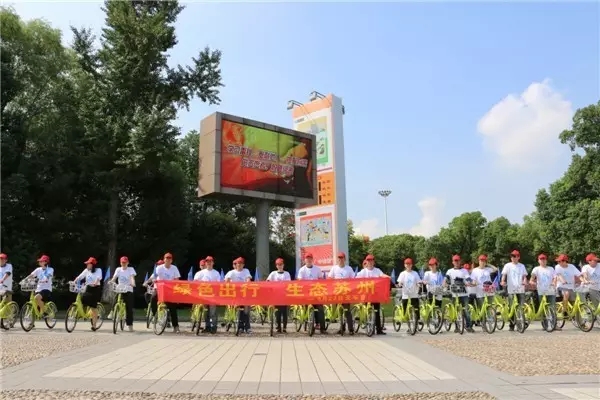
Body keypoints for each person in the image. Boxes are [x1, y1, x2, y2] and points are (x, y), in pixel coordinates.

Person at [145, 252, 181, 333]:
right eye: (166, 258)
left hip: (169, 290)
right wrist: (149, 281)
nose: (168, 260)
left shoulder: (174, 268)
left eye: (169, 259)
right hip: (159, 288)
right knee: (153, 298)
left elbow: (177, 279)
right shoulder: (159, 268)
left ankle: (176, 326)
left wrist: (176, 284)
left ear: (171, 260)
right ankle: (154, 314)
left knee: (172, 307)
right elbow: (153, 276)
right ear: (164, 259)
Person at [356, 254, 388, 335]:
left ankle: (379, 330)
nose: (370, 262)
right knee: (366, 310)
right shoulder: (363, 271)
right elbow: (356, 279)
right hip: (366, 294)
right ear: (366, 262)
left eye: (371, 260)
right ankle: (367, 326)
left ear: (374, 262)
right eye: (368, 261)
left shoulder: (377, 270)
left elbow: (382, 275)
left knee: (377, 312)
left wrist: (387, 277)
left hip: (375, 295)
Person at [297, 253, 327, 334]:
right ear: (305, 260)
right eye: (307, 258)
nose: (309, 260)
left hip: (316, 292)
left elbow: (321, 280)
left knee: (320, 308)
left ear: (312, 259)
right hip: (306, 293)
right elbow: (299, 281)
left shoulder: (317, 269)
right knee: (306, 308)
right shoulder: (302, 270)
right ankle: (308, 324)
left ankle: (322, 328)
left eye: (310, 258)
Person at [327, 252, 355, 334]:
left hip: (346, 292)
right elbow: (329, 277)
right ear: (337, 259)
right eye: (339, 258)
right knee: (339, 311)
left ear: (344, 259)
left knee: (347, 311)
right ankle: (342, 328)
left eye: (342, 258)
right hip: (337, 292)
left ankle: (351, 329)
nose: (340, 259)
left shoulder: (349, 268)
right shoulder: (334, 268)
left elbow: (354, 279)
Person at [445, 255, 474, 333]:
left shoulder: (464, 270)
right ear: (452, 262)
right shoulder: (449, 271)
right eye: (455, 261)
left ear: (460, 261)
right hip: (454, 294)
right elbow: (446, 279)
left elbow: (468, 278)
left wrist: (472, 282)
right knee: (455, 311)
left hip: (464, 294)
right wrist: (444, 284)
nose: (456, 262)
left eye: (458, 260)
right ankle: (457, 327)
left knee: (466, 311)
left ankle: (468, 326)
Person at [501, 250, 528, 332]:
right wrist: (502, 281)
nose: (513, 258)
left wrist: (525, 281)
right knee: (511, 306)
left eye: (515, 256)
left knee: (521, 306)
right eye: (512, 256)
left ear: (518, 257)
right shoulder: (507, 265)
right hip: (511, 288)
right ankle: (511, 325)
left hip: (520, 288)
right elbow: (504, 275)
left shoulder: (522, 266)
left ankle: (521, 323)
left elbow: (524, 276)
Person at [74, 257, 103, 330]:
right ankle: (83, 314)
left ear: (92, 265)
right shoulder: (86, 270)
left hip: (95, 288)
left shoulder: (98, 270)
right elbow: (80, 276)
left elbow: (99, 277)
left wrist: (95, 282)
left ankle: (94, 325)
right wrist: (74, 281)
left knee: (93, 307)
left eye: (88, 264)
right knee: (82, 298)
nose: (87, 265)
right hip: (88, 288)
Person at [225, 257, 252, 333]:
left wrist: (247, 283)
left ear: (243, 264)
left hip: (243, 292)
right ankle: (240, 327)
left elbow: (248, 279)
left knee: (246, 309)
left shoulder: (246, 271)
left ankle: (247, 327)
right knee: (237, 309)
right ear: (236, 264)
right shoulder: (231, 272)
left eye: (241, 263)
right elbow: (227, 280)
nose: (239, 265)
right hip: (234, 293)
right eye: (238, 263)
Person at [529, 253, 558, 326]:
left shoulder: (551, 268)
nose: (543, 261)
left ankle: (554, 324)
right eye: (541, 259)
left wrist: (554, 283)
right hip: (541, 290)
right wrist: (533, 283)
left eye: (544, 259)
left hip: (551, 290)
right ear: (538, 261)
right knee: (543, 307)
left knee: (552, 307)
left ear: (546, 260)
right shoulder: (536, 269)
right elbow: (532, 279)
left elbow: (555, 277)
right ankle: (545, 324)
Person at [110, 256, 137, 332]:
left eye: (125, 262)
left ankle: (130, 325)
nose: (124, 264)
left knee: (129, 308)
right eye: (122, 262)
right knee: (115, 298)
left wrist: (133, 283)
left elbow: (132, 277)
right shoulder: (118, 269)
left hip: (128, 289)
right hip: (120, 288)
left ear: (128, 263)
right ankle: (112, 311)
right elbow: (114, 277)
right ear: (120, 263)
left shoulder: (130, 269)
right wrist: (111, 281)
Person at [194, 256, 220, 333]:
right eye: (207, 262)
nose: (209, 263)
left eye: (210, 261)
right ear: (205, 263)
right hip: (202, 295)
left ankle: (214, 327)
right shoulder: (200, 273)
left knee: (212, 312)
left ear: (213, 263)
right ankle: (207, 326)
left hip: (212, 295)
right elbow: (194, 282)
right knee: (205, 312)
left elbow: (218, 284)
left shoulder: (216, 273)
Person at [266, 257, 291, 333]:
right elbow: (267, 281)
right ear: (276, 266)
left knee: (284, 312)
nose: (280, 266)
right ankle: (278, 327)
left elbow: (288, 284)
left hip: (284, 295)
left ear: (283, 265)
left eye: (281, 264)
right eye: (278, 264)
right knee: (277, 313)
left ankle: (284, 327)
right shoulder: (273, 273)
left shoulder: (287, 273)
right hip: (275, 296)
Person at [554, 254, 582, 319]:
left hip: (571, 287)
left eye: (560, 261)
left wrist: (583, 281)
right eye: (558, 261)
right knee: (566, 293)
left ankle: (578, 320)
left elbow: (579, 275)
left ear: (565, 261)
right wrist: (563, 281)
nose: (558, 263)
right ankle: (564, 311)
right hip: (561, 287)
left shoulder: (571, 266)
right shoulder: (557, 267)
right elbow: (559, 275)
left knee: (576, 301)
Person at [397, 258, 421, 332]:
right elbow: (399, 282)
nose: (408, 265)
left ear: (411, 265)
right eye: (407, 264)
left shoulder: (415, 273)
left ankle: (416, 324)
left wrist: (418, 284)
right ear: (405, 265)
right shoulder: (403, 273)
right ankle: (409, 326)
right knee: (405, 310)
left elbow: (418, 281)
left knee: (416, 310)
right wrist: (400, 284)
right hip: (405, 294)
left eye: (409, 264)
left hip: (414, 294)